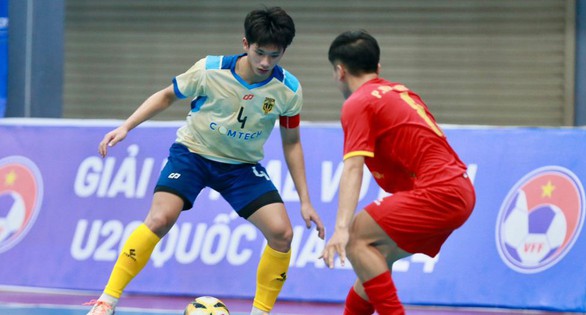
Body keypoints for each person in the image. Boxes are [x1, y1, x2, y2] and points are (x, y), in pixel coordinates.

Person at [85, 6, 325, 315]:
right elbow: (166, 96)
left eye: (274, 55)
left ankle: (260, 312)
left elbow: (291, 143)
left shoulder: (288, 90)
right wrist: (126, 126)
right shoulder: (210, 70)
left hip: (241, 167)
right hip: (193, 155)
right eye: (259, 52)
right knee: (159, 219)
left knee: (282, 234)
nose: (266, 62)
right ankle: (107, 301)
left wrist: (305, 201)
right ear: (245, 44)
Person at [320, 30, 476, 315]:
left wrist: (341, 229)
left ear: (340, 71)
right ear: (377, 68)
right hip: (460, 190)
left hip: (440, 192)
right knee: (374, 259)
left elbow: (353, 168)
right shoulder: (398, 92)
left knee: (356, 236)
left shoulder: (358, 103)